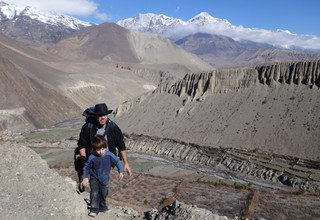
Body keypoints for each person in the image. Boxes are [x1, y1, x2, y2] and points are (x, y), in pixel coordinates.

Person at [77, 103, 132, 180]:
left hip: (107, 162)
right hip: (92, 161)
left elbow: (121, 145)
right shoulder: (87, 128)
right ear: (95, 116)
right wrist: (85, 163)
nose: (103, 117)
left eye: (105, 115)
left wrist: (126, 163)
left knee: (104, 184)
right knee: (94, 186)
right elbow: (82, 145)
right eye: (100, 115)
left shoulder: (113, 127)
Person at [81, 135, 124, 217]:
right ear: (94, 149)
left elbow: (117, 161)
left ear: (105, 147)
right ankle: (94, 209)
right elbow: (86, 167)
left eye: (102, 149)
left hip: (105, 178)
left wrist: (121, 171)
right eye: (98, 149)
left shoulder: (109, 155)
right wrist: (85, 177)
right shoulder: (91, 157)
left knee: (104, 193)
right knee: (94, 193)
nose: (100, 151)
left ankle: (103, 207)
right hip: (94, 177)